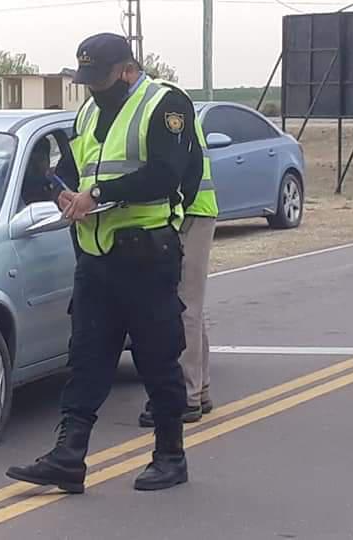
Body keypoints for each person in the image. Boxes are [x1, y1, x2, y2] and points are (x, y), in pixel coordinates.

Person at [6, 33, 196, 493]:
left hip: (147, 253)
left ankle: (170, 454)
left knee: (157, 358)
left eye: (100, 77)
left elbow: (167, 173)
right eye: (85, 77)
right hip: (94, 254)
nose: (92, 87)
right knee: (87, 358)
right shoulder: (89, 110)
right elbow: (69, 167)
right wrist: (61, 192)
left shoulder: (165, 104)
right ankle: (69, 457)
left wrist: (100, 194)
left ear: (127, 70)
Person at [137, 79, 218, 427]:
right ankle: (199, 388)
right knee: (189, 304)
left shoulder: (162, 104)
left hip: (189, 211)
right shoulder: (162, 101)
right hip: (191, 209)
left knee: (181, 305)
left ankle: (186, 396)